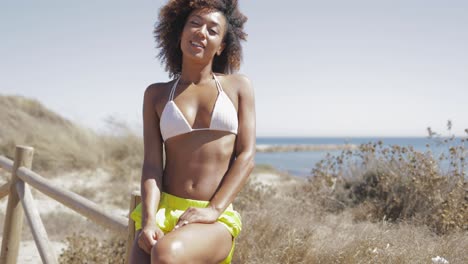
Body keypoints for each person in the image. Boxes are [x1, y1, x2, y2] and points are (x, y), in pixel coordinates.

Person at [129, 0, 255, 263]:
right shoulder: (156, 94)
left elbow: (246, 156)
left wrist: (213, 209)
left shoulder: (238, 87)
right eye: (195, 24)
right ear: (180, 33)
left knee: (165, 254)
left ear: (221, 46)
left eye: (213, 30)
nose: (201, 32)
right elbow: (152, 166)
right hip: (164, 210)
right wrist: (150, 220)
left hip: (213, 219)